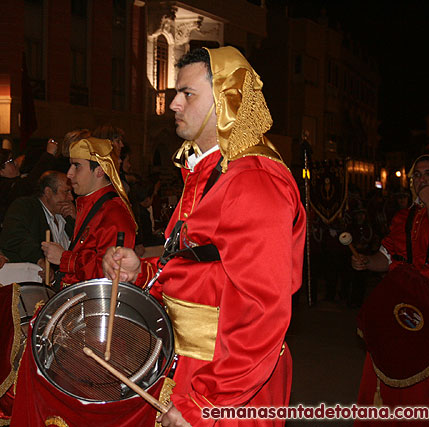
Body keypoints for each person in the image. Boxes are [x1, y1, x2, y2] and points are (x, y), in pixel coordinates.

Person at [102, 46, 305, 426]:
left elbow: (262, 311)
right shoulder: (210, 172)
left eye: (187, 94)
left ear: (228, 100)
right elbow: (201, 264)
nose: (174, 104)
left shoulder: (255, 181)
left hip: (229, 381)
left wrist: (205, 402)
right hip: (193, 367)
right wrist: (142, 271)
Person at [351, 154, 429, 425]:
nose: (422, 179)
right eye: (417, 175)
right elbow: (386, 257)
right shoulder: (402, 217)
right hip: (399, 301)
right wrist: (367, 261)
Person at [41, 137, 136, 287]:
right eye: (70, 165)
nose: (69, 174)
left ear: (99, 170)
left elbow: (112, 272)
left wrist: (65, 259)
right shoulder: (89, 205)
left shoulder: (114, 213)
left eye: (77, 166)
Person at [0, 170, 75, 264]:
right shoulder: (25, 207)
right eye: (66, 191)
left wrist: (76, 221)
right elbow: (14, 238)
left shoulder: (67, 216)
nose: (71, 198)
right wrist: (39, 260)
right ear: (48, 192)